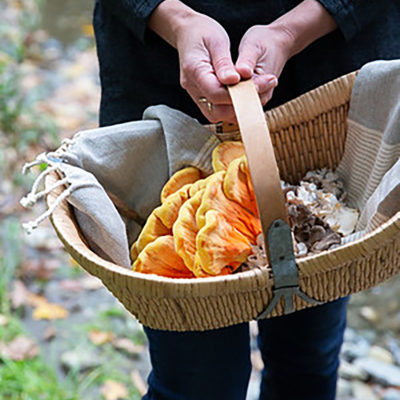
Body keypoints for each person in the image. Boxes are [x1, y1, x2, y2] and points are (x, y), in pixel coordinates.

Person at [93, 1, 400, 399]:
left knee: (307, 365)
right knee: (198, 385)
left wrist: (291, 32)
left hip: (323, 86)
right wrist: (176, 20)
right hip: (161, 74)